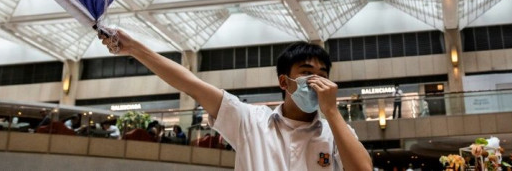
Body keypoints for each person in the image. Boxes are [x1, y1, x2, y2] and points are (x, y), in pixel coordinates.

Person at [99, 29, 372, 170]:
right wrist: (134, 48)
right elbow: (190, 83)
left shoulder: (335, 132)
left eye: (323, 75)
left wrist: (332, 112)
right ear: (284, 82)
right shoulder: (250, 121)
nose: (317, 82)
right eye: (307, 73)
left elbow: (362, 170)